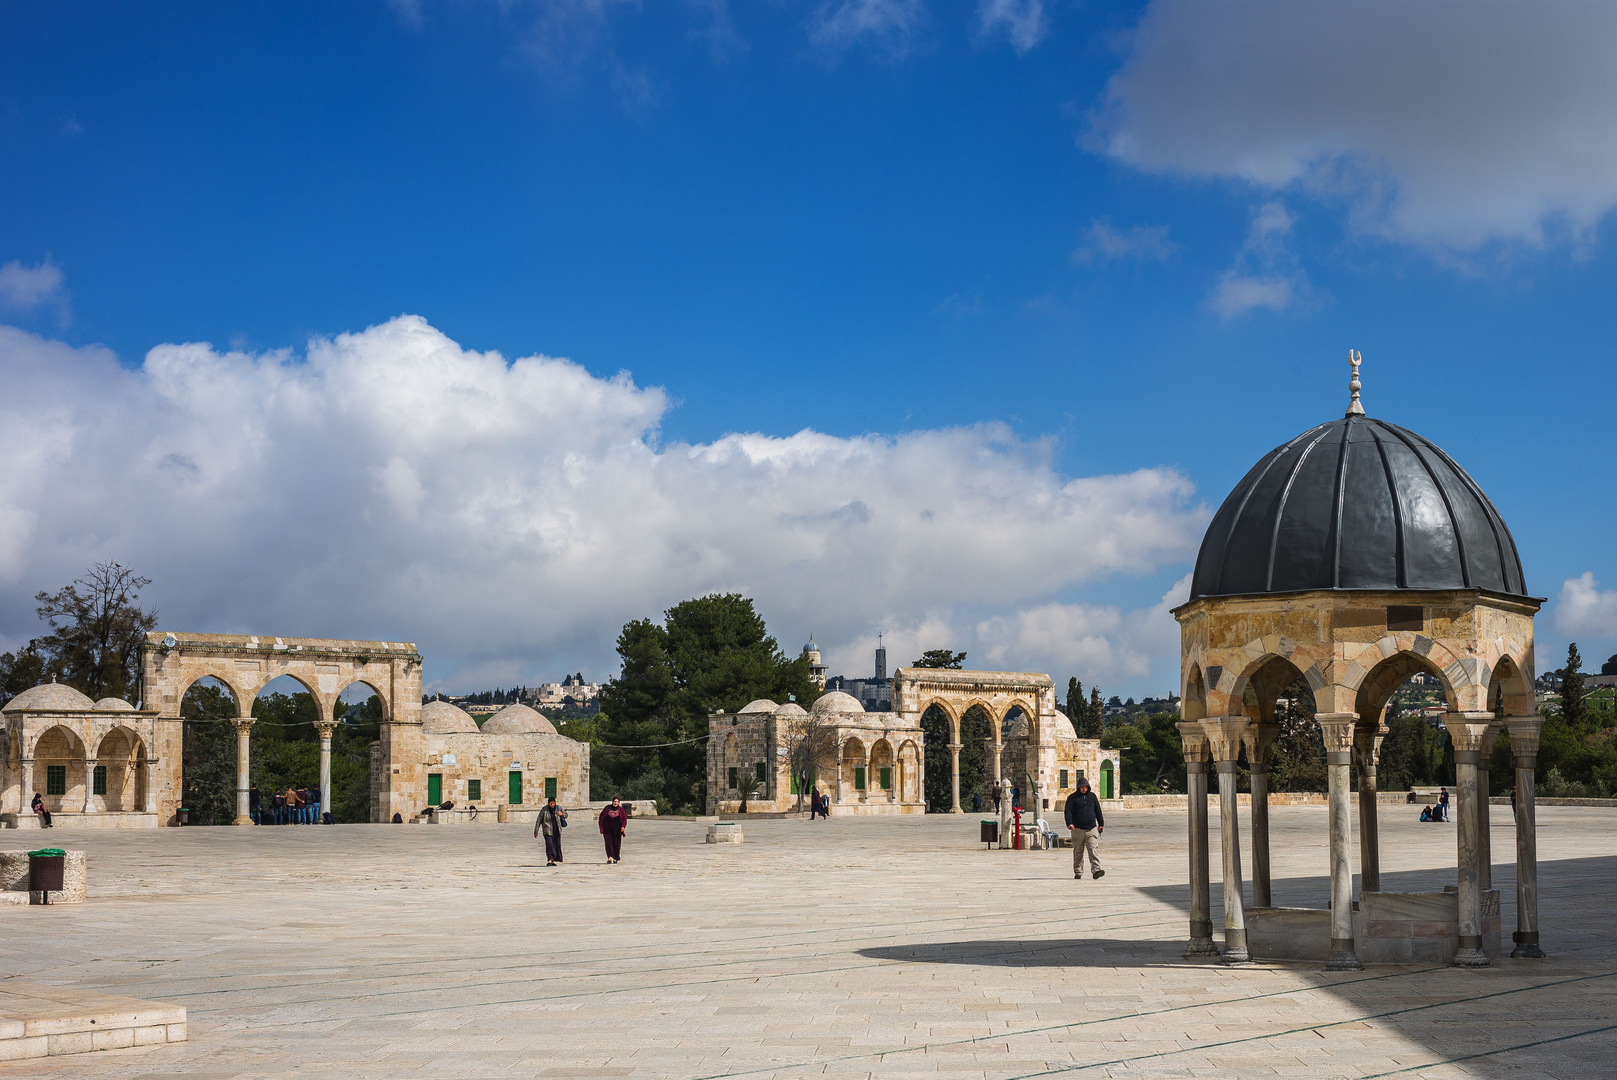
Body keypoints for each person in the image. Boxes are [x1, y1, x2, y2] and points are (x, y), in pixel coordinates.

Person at [1064, 777, 1105, 880]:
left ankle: (1096, 870)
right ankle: (1078, 872)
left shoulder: (1092, 797)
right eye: (1082, 787)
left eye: (1086, 787)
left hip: (1091, 828)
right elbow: (1068, 812)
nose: (1084, 789)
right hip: (1077, 829)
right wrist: (1069, 823)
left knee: (1093, 848)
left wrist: (1101, 823)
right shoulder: (1072, 798)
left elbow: (1098, 810)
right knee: (1078, 851)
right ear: (1078, 787)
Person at [535, 797, 567, 865]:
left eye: (553, 803)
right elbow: (539, 820)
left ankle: (553, 860)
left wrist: (561, 814)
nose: (552, 804)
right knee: (549, 844)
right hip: (547, 830)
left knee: (556, 845)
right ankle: (549, 859)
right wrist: (536, 831)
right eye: (551, 803)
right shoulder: (544, 810)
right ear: (548, 803)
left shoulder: (558, 808)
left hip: (557, 830)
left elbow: (566, 815)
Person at [598, 797, 628, 863]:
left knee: (616, 843)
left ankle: (615, 858)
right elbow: (601, 816)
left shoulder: (621, 810)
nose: (615, 803)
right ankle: (609, 857)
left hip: (617, 830)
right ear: (612, 802)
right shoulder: (607, 808)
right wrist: (601, 826)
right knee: (608, 843)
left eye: (617, 802)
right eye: (614, 801)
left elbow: (624, 819)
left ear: (618, 803)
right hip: (607, 829)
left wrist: (623, 826)